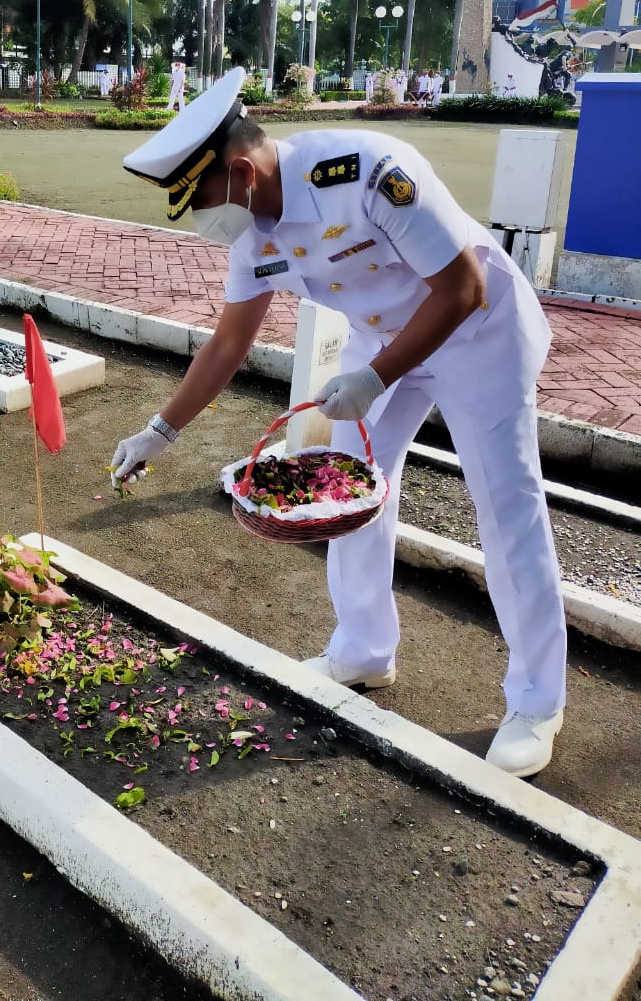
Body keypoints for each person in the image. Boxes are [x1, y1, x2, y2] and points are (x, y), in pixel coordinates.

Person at [111, 66, 567, 778]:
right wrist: (159, 431)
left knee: (505, 505)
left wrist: (375, 376)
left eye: (199, 201)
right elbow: (230, 342)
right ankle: (362, 647)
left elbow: (462, 287)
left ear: (238, 169)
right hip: (379, 342)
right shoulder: (252, 231)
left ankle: (538, 699)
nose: (203, 220)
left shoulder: (363, 173)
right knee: (345, 487)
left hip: (478, 333)